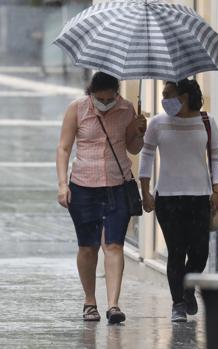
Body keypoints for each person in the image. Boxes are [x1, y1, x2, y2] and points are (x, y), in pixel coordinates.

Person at [56, 72, 147, 324]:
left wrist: (140, 131)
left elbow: (133, 147)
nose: (105, 103)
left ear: (117, 94)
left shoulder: (127, 109)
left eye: (110, 98)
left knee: (115, 245)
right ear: (91, 94)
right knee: (88, 246)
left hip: (117, 185)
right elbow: (63, 148)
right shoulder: (77, 109)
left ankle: (114, 305)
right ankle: (89, 302)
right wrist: (63, 184)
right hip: (83, 186)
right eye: (100, 99)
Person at [138, 79, 218, 322]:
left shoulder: (206, 122)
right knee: (176, 252)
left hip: (199, 197)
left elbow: (216, 158)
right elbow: (145, 156)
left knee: (199, 253)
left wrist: (217, 190)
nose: (164, 99)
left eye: (168, 94)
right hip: (167, 198)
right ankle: (177, 304)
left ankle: (188, 288)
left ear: (184, 96)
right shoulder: (157, 123)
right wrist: (145, 191)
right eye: (163, 94)